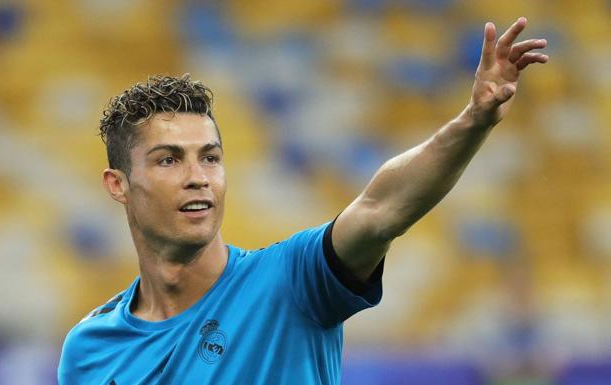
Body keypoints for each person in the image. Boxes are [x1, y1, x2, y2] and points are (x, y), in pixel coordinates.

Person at [57, 17, 548, 385]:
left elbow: (381, 211)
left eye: (210, 158)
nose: (198, 178)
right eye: (168, 160)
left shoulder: (292, 281)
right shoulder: (90, 350)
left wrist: (473, 120)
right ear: (118, 185)